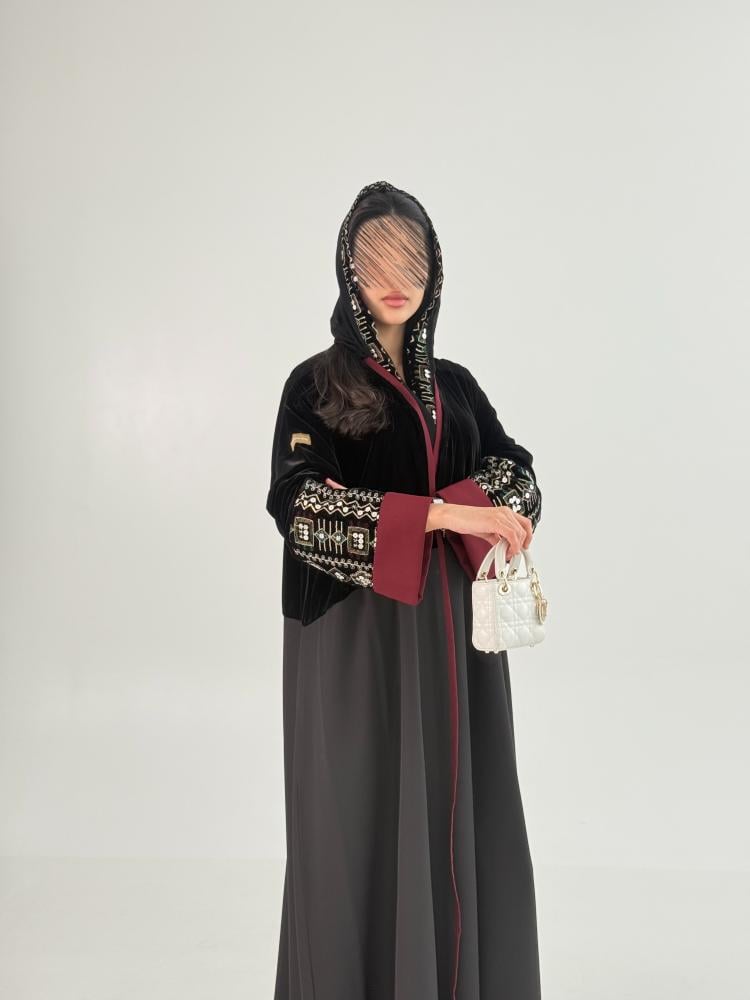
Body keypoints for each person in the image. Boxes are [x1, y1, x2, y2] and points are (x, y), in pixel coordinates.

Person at [265, 179, 543, 1000]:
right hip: (354, 642)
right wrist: (443, 517)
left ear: (436, 271)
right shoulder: (315, 386)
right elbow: (300, 507)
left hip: (452, 639)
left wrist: (468, 511)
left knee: (459, 820)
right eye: (376, 257)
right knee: (351, 828)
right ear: (347, 267)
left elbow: (520, 476)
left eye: (412, 259)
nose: (396, 277)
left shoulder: (455, 388)